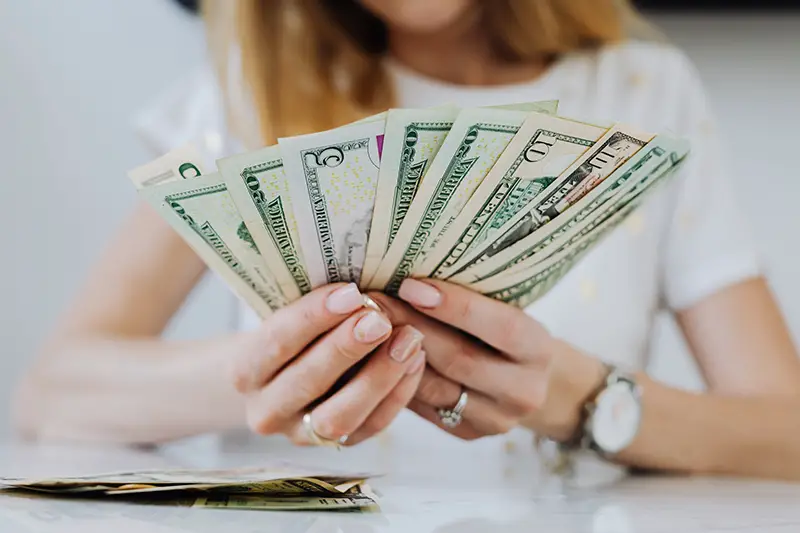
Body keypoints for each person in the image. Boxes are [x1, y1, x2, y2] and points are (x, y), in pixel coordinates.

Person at [12, 0, 800, 480]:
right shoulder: (248, 91)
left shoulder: (645, 93)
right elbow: (53, 393)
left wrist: (576, 398)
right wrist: (277, 370)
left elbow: (786, 437)